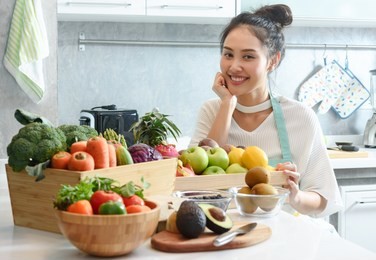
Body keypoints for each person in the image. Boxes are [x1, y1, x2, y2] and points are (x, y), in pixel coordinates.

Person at [189, 4, 342, 218]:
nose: (234, 66)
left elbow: (323, 199)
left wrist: (295, 196)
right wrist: (226, 105)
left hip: (287, 234)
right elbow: (197, 185)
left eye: (248, 57)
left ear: (272, 61)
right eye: (228, 54)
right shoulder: (211, 110)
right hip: (224, 230)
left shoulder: (300, 117)